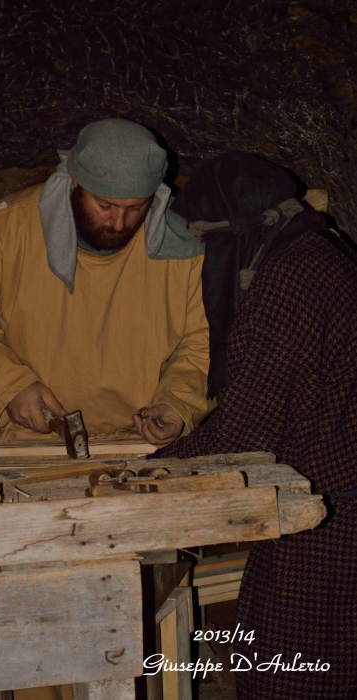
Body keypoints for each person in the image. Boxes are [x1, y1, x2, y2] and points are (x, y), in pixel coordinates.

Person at [151, 153, 357, 699]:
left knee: (291, 682)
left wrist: (154, 472)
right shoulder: (325, 249)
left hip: (324, 536)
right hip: (334, 509)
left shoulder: (284, 284)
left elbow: (246, 435)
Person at [0, 119, 214, 447]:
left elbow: (203, 340)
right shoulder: (7, 229)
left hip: (144, 443)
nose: (119, 223)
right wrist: (10, 385)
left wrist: (177, 403)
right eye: (105, 205)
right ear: (75, 183)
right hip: (39, 437)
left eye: (136, 208)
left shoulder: (184, 249)